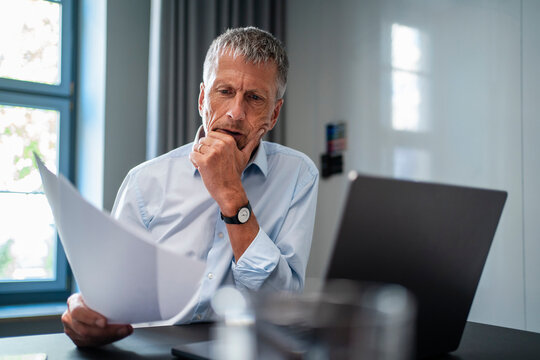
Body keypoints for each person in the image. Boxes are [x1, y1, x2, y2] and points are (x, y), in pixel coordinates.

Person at [62, 26, 319, 347]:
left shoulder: (298, 174)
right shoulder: (145, 181)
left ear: (274, 113)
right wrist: (89, 316)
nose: (235, 112)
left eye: (254, 98)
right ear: (202, 98)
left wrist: (232, 195)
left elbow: (281, 303)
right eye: (224, 91)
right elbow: (108, 295)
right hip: (151, 348)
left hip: (244, 349)